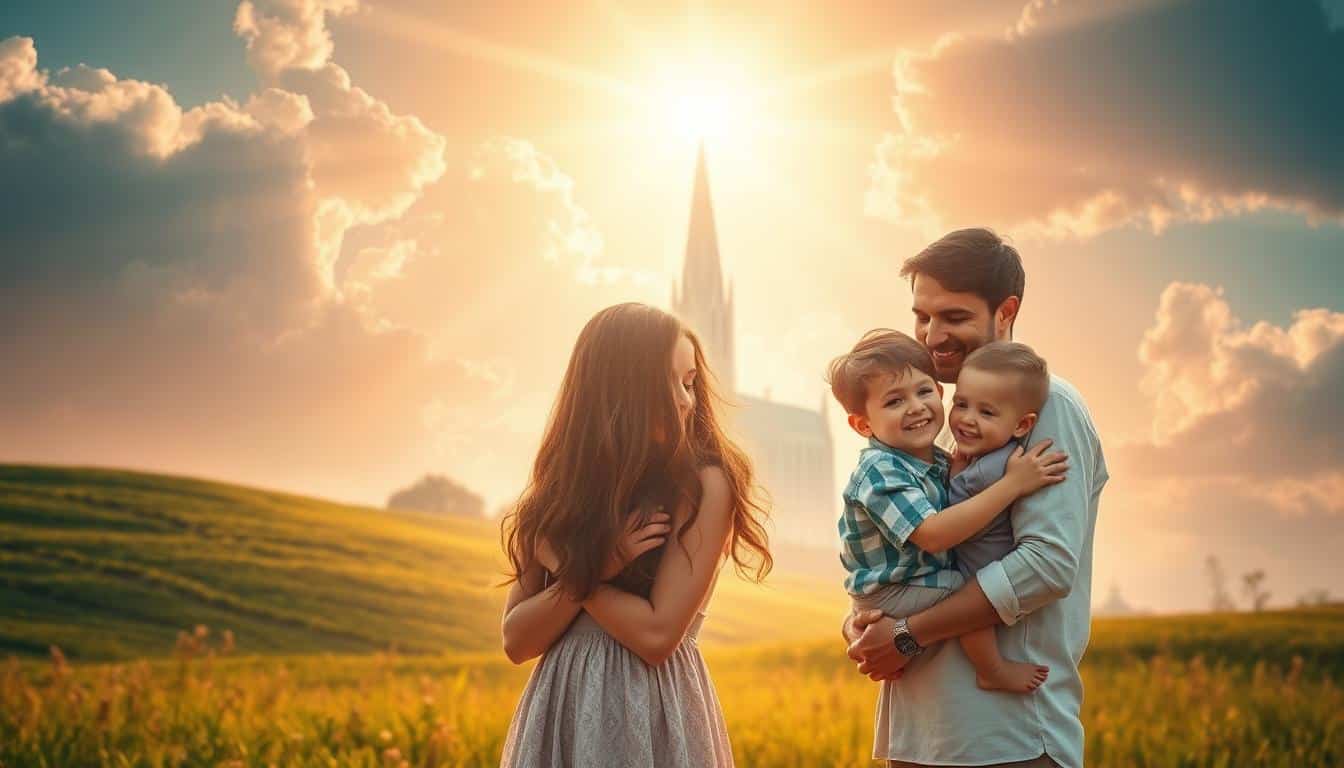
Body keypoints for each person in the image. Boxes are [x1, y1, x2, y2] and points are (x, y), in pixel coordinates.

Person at [842, 228, 1109, 768]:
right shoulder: (938, 418)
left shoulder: (1045, 404)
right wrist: (865, 618)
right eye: (922, 316)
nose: (932, 334)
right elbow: (914, 551)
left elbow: (1047, 564)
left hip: (1006, 733)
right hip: (920, 730)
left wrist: (909, 635)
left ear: (1004, 312)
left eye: (954, 318)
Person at [498, 302, 771, 768]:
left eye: (690, 383)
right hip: (560, 711)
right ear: (617, 388)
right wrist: (598, 568)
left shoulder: (705, 483)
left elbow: (656, 635)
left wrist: (572, 568)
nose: (687, 400)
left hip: (652, 712)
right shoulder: (560, 492)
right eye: (668, 383)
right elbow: (517, 641)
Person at [828, 330, 1063, 758]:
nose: (916, 407)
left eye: (924, 391)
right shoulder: (881, 471)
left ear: (939, 391)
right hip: (890, 593)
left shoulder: (934, 458)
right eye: (894, 401)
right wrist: (1012, 484)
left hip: (902, 589)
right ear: (863, 424)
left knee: (963, 584)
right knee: (966, 588)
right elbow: (935, 533)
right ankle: (991, 670)